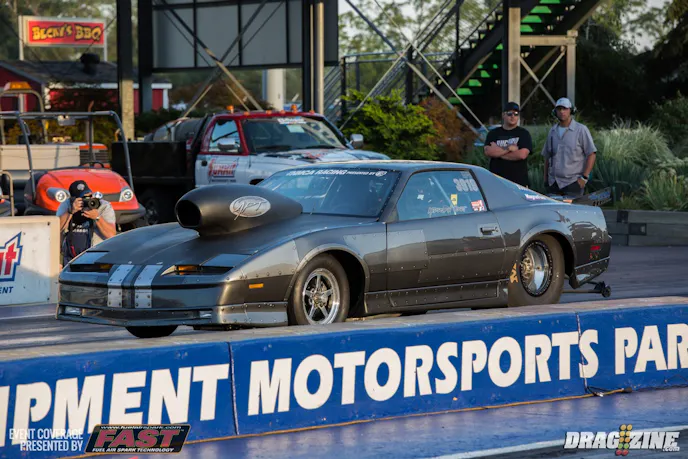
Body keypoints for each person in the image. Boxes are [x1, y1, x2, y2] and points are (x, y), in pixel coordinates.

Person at [541, 97, 597, 197]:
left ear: (571, 110)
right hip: (553, 183)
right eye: (559, 109)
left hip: (573, 183)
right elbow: (547, 156)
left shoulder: (581, 130)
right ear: (555, 112)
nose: (562, 111)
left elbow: (591, 154)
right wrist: (545, 179)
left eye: (565, 109)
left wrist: (584, 177)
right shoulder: (552, 131)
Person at [57, 180, 117, 266]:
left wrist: (97, 217)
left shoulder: (103, 206)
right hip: (71, 258)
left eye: (89, 196)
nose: (87, 200)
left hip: (97, 257)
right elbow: (56, 229)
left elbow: (111, 235)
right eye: (83, 198)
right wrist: (70, 212)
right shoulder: (67, 205)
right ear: (73, 199)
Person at [483, 102, 533, 187]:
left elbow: (522, 155)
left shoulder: (524, 133)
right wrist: (508, 148)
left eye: (516, 114)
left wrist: (498, 153)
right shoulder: (493, 133)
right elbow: (488, 152)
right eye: (509, 113)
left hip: (518, 182)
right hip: (496, 181)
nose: (513, 116)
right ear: (503, 115)